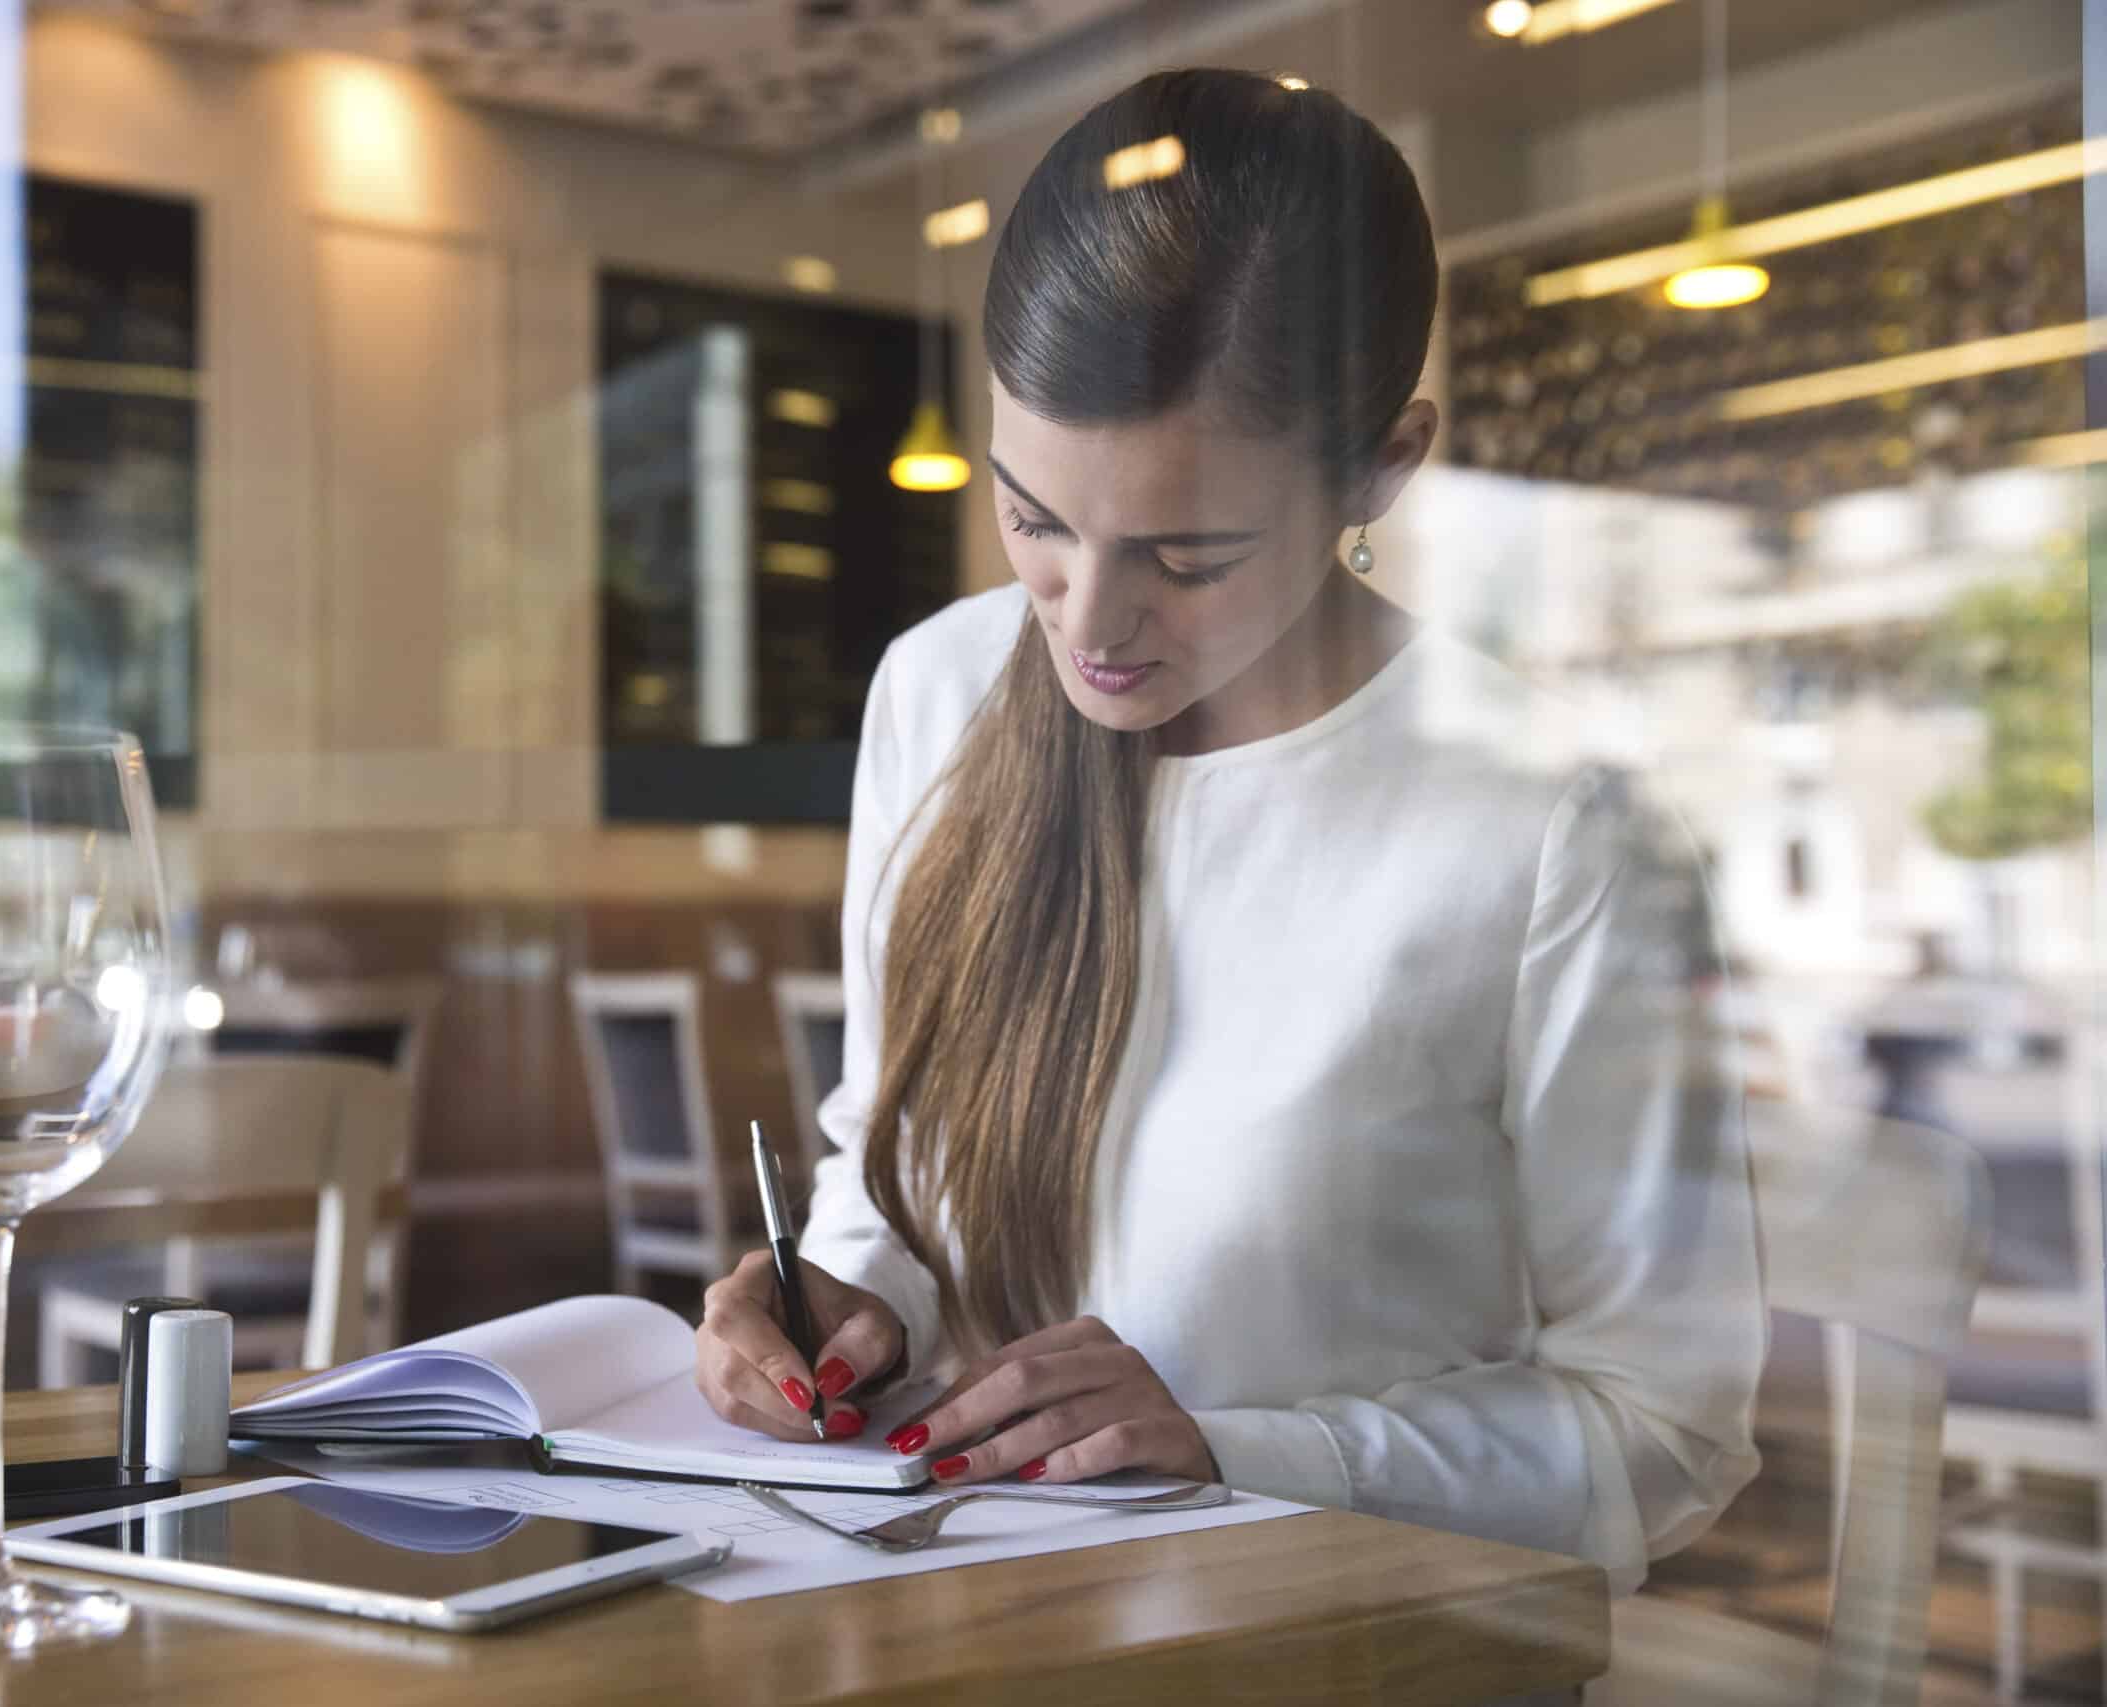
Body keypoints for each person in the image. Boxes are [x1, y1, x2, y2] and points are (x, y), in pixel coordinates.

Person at [693, 68, 1762, 1597]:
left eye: (1188, 556)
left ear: (1384, 465)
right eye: (1034, 521)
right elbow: (887, 1190)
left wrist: (1236, 1447)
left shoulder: (1555, 831)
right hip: (971, 1616)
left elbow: (1666, 1437)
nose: (1090, 625)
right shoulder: (938, 695)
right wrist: (834, 1317)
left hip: (1357, 1651)